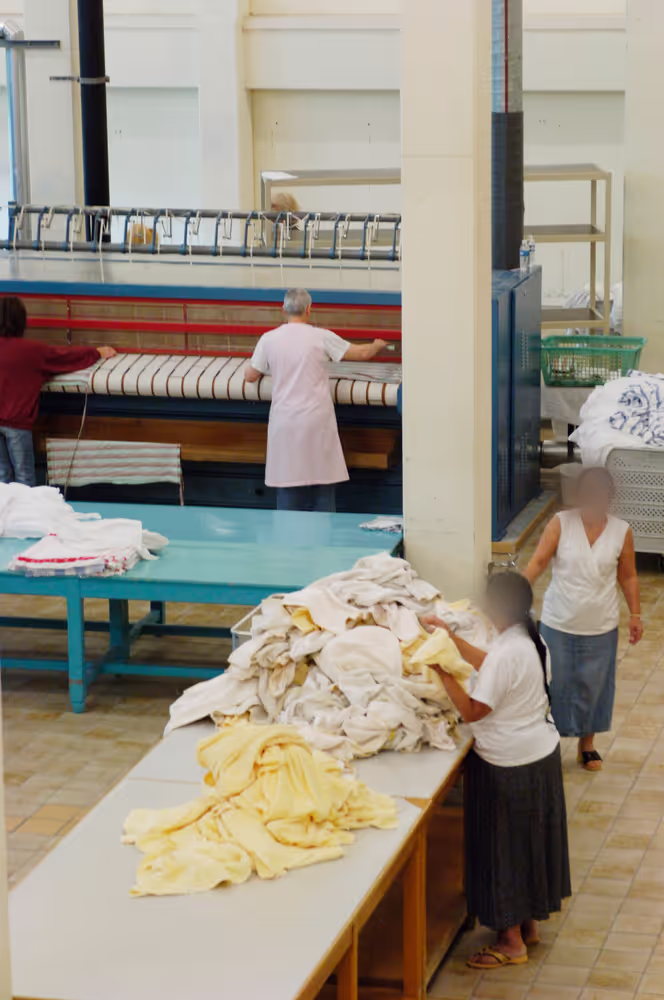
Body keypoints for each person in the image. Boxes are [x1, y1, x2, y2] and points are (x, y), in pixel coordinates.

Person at [422, 572, 570, 970]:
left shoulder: (509, 652)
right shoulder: (530, 640)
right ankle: (528, 925)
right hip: (539, 756)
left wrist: (442, 673)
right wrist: (451, 642)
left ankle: (509, 942)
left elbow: (472, 710)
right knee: (528, 845)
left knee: (502, 849)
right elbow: (492, 665)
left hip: (508, 766)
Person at [525, 467, 642, 771]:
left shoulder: (621, 530)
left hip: (600, 625)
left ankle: (586, 746)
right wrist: (515, 598)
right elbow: (537, 563)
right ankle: (546, 746)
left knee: (594, 686)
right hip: (558, 622)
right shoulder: (560, 524)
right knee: (554, 684)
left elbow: (628, 576)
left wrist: (636, 614)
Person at [245, 288, 386, 511]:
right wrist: (378, 345)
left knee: (289, 486)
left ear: (283, 310)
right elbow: (361, 354)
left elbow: (250, 376)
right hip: (316, 421)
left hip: (286, 423)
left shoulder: (268, 339)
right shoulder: (321, 337)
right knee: (322, 485)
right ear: (309, 310)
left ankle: (288, 540)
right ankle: (322, 541)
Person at [0, 296, 116, 486]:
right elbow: (66, 357)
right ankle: (28, 515)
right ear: (21, 321)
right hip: (17, 424)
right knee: (25, 479)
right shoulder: (32, 351)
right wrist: (97, 352)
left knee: (2, 478)